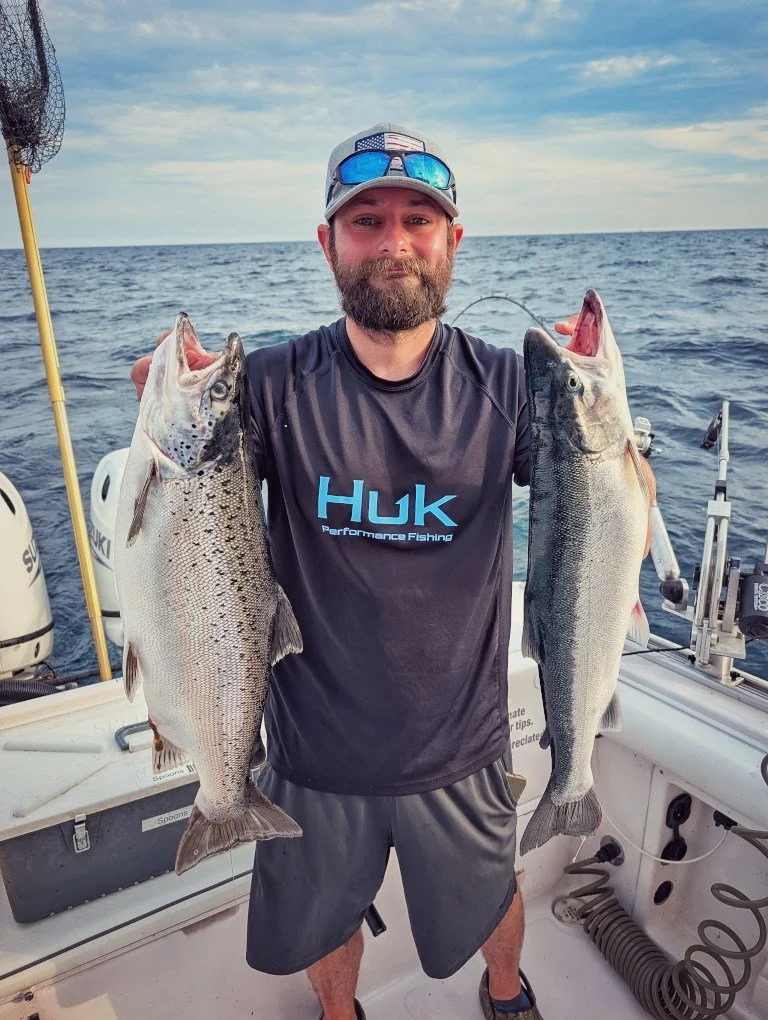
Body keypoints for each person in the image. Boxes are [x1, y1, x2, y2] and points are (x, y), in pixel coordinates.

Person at [131, 122, 566, 1020]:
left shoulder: (508, 387)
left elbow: (595, 508)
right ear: (328, 243)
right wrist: (157, 412)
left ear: (453, 240)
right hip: (309, 748)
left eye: (418, 219)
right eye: (366, 221)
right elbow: (189, 502)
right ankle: (341, 1015)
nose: (395, 242)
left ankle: (507, 990)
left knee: (494, 897)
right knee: (327, 919)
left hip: (463, 745)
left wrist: (604, 433)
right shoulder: (275, 382)